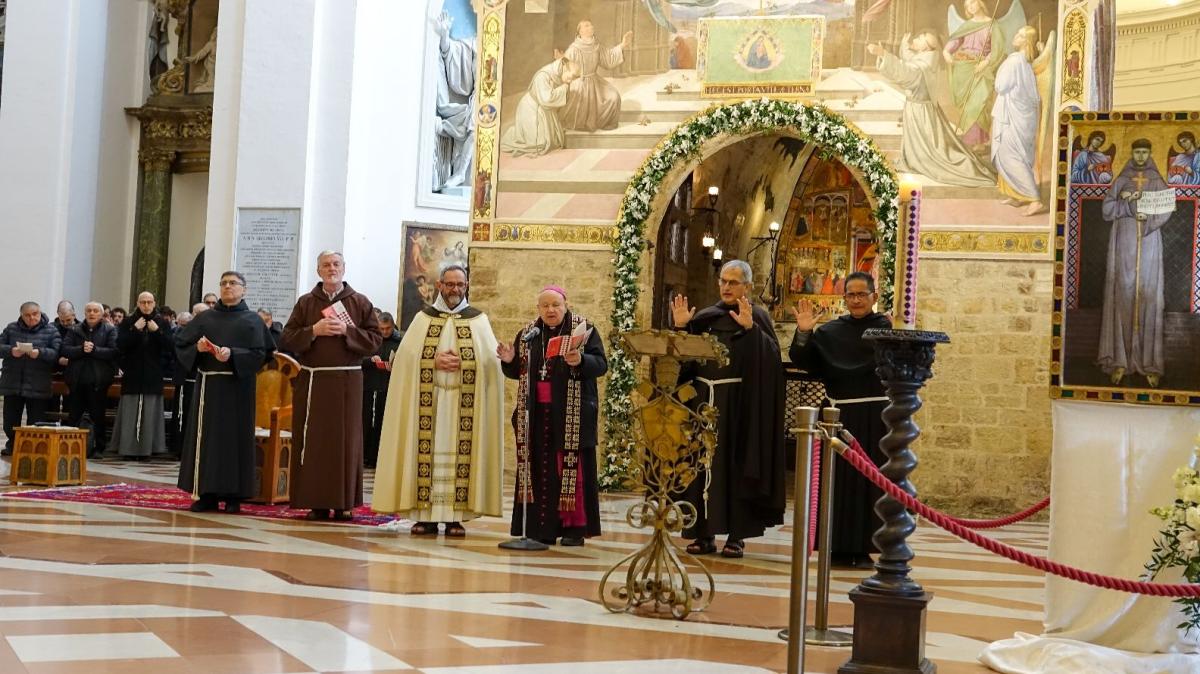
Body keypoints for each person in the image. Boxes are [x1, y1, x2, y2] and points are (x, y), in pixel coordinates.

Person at [375, 262, 504, 537]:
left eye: (459, 284)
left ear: (466, 286)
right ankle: (425, 517)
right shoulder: (423, 319)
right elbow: (403, 360)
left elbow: (492, 364)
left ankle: (456, 518)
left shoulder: (478, 320)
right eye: (449, 284)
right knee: (425, 458)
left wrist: (466, 363)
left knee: (461, 461)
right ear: (439, 285)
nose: (454, 289)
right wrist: (431, 360)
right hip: (429, 403)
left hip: (462, 406)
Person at [671, 260, 786, 558]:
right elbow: (686, 362)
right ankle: (702, 533)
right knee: (700, 467)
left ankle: (737, 536)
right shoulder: (706, 318)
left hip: (739, 406)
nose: (726, 287)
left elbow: (772, 363)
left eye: (734, 282)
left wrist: (751, 332)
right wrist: (682, 327)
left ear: (747, 286)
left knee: (737, 467)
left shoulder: (757, 318)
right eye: (723, 281)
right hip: (703, 403)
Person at [789, 272, 892, 569]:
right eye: (851, 295)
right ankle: (833, 544)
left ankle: (863, 547)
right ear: (844, 297)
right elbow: (804, 361)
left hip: (874, 417)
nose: (857, 300)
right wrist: (804, 332)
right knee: (835, 484)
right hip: (837, 416)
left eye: (862, 294)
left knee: (868, 483)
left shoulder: (887, 329)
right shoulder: (831, 331)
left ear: (874, 295)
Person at [498, 285, 607, 546]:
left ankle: (573, 530)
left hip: (571, 413)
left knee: (569, 471)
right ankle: (539, 528)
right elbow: (518, 373)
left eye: (555, 305)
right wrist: (510, 360)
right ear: (538, 309)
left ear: (565, 304)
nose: (550, 310)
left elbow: (601, 364)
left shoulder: (584, 329)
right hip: (535, 415)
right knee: (537, 471)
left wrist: (580, 360)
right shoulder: (528, 334)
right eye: (545, 305)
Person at [280, 251, 382, 521]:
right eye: (326, 265)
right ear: (318, 271)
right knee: (314, 442)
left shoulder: (359, 302)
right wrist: (313, 331)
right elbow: (287, 338)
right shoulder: (305, 303)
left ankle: (344, 502)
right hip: (313, 380)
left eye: (336, 264)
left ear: (344, 268)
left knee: (345, 442)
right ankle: (317, 502)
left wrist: (346, 332)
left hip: (347, 381)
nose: (331, 269)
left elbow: (374, 341)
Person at [175, 271, 274, 512]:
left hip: (238, 386)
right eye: (223, 283)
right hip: (208, 386)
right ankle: (206, 494)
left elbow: (263, 354)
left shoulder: (253, 320)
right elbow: (181, 344)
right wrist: (198, 348)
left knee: (234, 440)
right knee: (207, 439)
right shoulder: (205, 318)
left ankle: (234, 497)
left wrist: (234, 354)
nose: (227, 287)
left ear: (244, 289)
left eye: (233, 283)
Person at [869, 34, 995, 188]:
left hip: (919, 112)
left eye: (921, 38)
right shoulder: (926, 58)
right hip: (919, 108)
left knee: (928, 150)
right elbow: (910, 60)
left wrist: (883, 54)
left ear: (926, 47)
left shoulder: (923, 65)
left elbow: (905, 71)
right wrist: (903, 46)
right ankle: (915, 158)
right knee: (921, 145)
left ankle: (921, 160)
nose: (917, 38)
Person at [1098, 139, 1171, 388]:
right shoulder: (1121, 178)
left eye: (1144, 151)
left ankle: (1149, 363)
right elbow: (1107, 209)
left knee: (1149, 294)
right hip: (1124, 240)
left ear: (1150, 153)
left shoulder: (1156, 179)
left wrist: (1148, 216)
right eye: (1136, 151)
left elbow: (1166, 208)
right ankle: (1120, 360)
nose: (1140, 156)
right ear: (1132, 152)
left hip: (1149, 240)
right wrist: (1129, 205)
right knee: (1124, 292)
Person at [991, 26, 1045, 217]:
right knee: (1016, 155)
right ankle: (1017, 193)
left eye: (1021, 35)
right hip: (1020, 115)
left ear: (1026, 42)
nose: (1016, 36)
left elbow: (1001, 85)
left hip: (1012, 116)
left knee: (1009, 155)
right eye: (1017, 33)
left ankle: (1034, 199)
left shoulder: (1014, 61)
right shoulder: (1025, 62)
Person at [111, 292, 170, 459]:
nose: (146, 305)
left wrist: (157, 331)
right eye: (143, 302)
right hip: (133, 374)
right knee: (130, 413)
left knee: (150, 412)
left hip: (153, 374)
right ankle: (128, 449)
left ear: (154, 303)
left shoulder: (162, 323)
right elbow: (120, 346)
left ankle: (149, 449)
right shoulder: (128, 322)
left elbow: (170, 347)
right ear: (137, 303)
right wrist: (135, 330)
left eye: (149, 302)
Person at [0, 302, 62, 456]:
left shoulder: (51, 330)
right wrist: (11, 351)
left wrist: (39, 353)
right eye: (27, 315)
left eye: (35, 314)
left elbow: (56, 353)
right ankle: (12, 445)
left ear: (40, 313)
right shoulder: (11, 328)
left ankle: (32, 446)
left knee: (35, 419)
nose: (31, 318)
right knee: (10, 419)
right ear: (21, 315)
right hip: (13, 382)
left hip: (38, 382)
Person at [944, 0, 1004, 150]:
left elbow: (998, 49)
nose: (970, 6)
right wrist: (946, 52)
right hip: (964, 68)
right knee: (968, 106)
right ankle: (973, 141)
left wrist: (985, 63)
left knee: (979, 104)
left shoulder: (993, 24)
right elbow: (954, 43)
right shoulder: (967, 25)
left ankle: (977, 141)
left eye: (972, 2)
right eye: (967, 5)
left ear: (981, 3)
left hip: (984, 68)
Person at [62, 302, 118, 457]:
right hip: (77, 379)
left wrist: (95, 350)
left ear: (101, 314)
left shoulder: (109, 330)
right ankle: (67, 446)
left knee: (97, 416)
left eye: (95, 311)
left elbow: (113, 351)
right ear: (84, 313)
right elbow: (65, 349)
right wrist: (81, 349)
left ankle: (99, 448)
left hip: (98, 381)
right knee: (73, 416)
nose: (91, 313)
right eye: (88, 311)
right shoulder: (74, 330)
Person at [558, 20, 632, 132]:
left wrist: (623, 44)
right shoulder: (574, 48)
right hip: (579, 82)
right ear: (580, 32)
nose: (591, 27)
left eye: (591, 25)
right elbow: (565, 65)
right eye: (586, 26)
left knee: (614, 96)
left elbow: (609, 58)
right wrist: (567, 70)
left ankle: (604, 123)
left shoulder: (596, 45)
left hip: (595, 81)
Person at [500, 58, 581, 157]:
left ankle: (522, 132)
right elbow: (547, 99)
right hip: (531, 109)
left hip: (544, 109)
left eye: (573, 79)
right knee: (537, 144)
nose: (570, 81)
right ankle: (516, 133)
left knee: (554, 141)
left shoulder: (558, 74)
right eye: (571, 77)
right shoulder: (543, 75)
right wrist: (564, 88)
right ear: (565, 69)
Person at [432, 10, 476, 193]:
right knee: (479, 122)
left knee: (480, 124)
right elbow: (453, 53)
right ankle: (458, 173)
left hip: (498, 106)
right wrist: (444, 36)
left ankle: (460, 173)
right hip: (482, 99)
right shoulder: (480, 44)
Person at [362, 312, 402, 469]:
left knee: (382, 422)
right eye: (381, 329)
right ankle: (366, 456)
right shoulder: (371, 338)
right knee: (366, 421)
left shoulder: (399, 342)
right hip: (369, 385)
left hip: (387, 387)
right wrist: (371, 359)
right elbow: (359, 359)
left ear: (393, 326)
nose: (384, 332)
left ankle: (379, 457)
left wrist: (395, 363)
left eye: (388, 329)